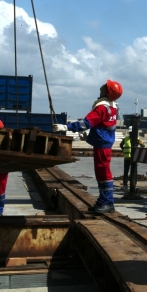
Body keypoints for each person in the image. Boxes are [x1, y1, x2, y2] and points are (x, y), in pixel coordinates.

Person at [53, 80, 122, 213]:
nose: (101, 86)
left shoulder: (102, 107)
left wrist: (65, 127)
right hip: (103, 141)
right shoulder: (112, 106)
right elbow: (103, 126)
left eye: (104, 86)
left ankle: (107, 202)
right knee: (102, 171)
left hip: (102, 143)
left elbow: (86, 123)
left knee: (103, 171)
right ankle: (104, 201)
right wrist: (89, 138)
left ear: (107, 92)